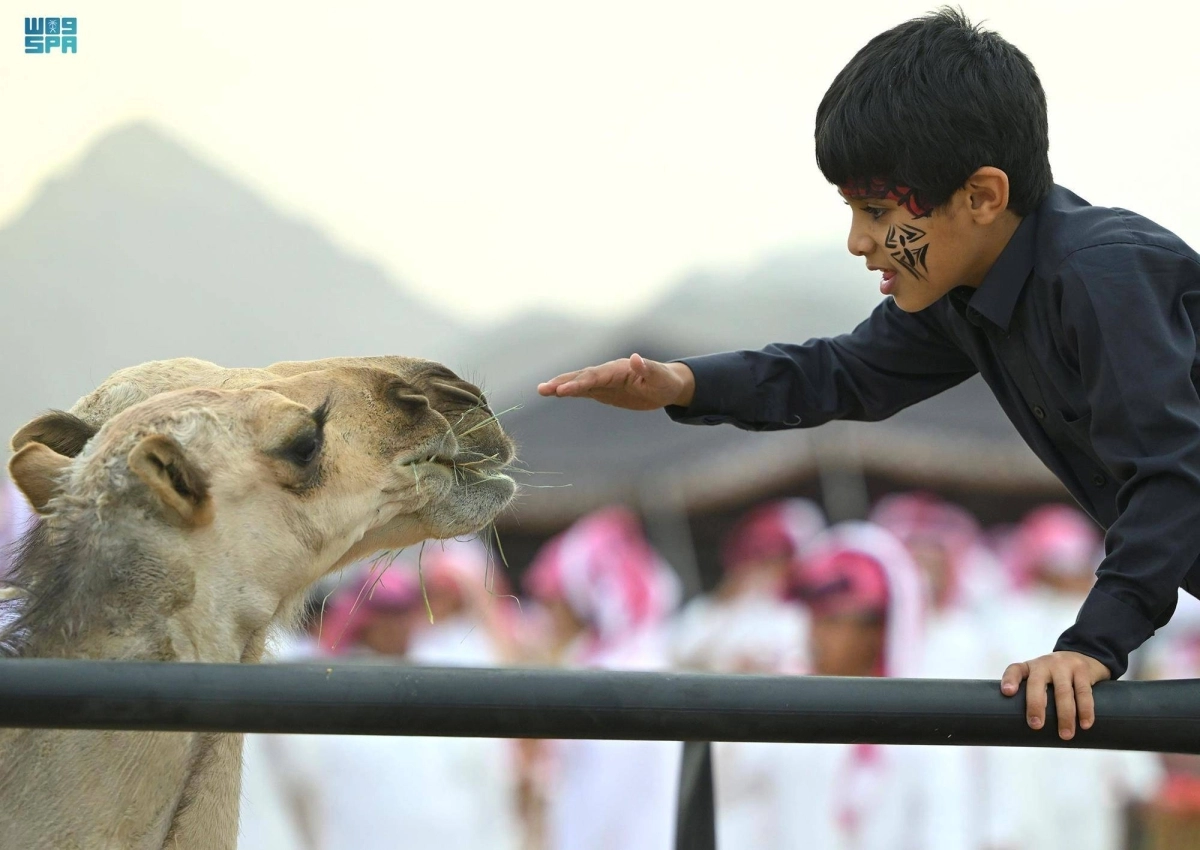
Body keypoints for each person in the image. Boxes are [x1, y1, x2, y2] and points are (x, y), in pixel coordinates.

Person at [537, 7, 1200, 740]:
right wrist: (682, 385)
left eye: (878, 211)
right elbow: (841, 373)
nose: (859, 241)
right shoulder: (967, 295)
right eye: (853, 209)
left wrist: (1091, 646)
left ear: (982, 196)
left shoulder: (1100, 276)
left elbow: (1173, 473)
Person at [522, 506, 682, 850]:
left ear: (585, 598)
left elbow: (600, 816)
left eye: (555, 601)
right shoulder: (645, 661)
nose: (546, 615)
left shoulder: (611, 682)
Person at [671, 498, 821, 674]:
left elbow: (806, 667)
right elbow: (678, 658)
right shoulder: (706, 609)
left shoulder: (800, 612)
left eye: (776, 559)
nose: (764, 570)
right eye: (758, 558)